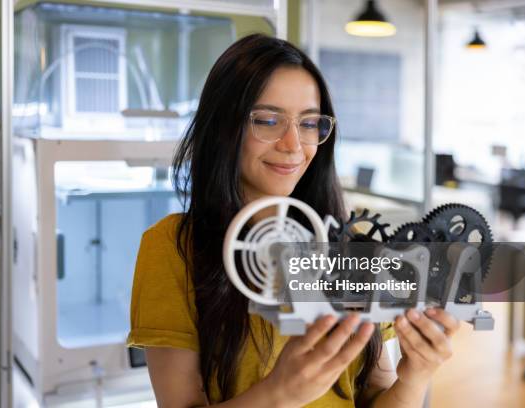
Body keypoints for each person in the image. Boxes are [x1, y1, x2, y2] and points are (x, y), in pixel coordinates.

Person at [127, 33, 460, 407]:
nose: (293, 145)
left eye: (308, 123)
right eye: (268, 120)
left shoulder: (356, 245)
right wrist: (279, 394)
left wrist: (416, 376)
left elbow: (374, 394)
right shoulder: (173, 247)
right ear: (223, 127)